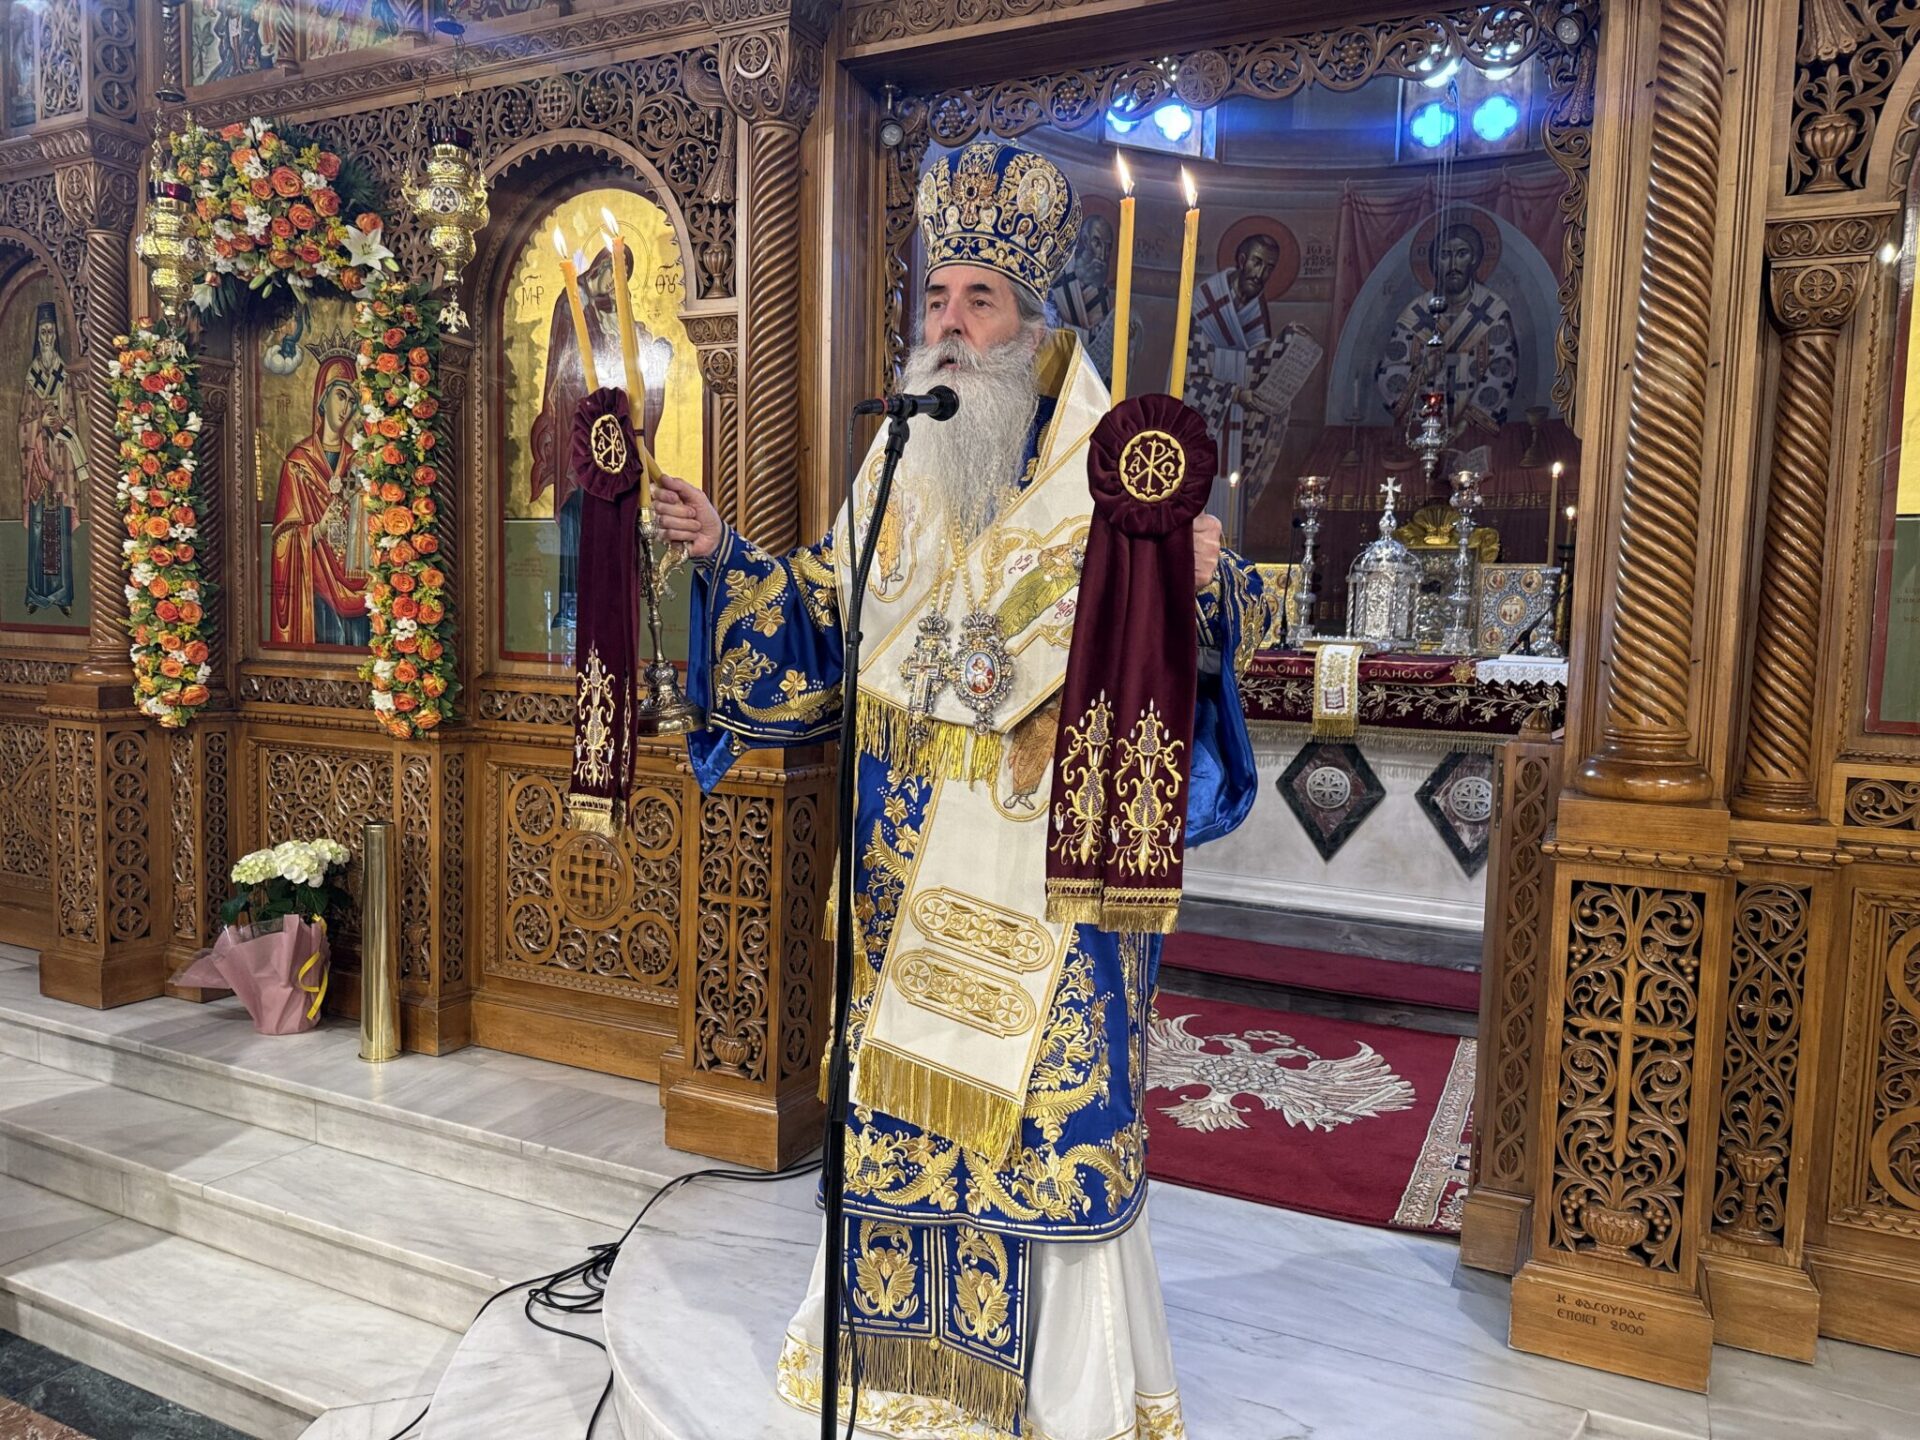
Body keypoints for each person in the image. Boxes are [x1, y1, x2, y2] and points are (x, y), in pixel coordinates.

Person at [654, 138, 1278, 1440]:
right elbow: (832, 610)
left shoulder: (1119, 467)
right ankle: (900, 1376)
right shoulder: (906, 454)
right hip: (901, 872)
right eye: (936, 296)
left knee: (1038, 1125)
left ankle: (1059, 1398)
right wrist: (726, 557)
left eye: (978, 300)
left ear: (1035, 322)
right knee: (904, 1108)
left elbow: (1222, 635)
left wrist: (1204, 579)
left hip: (1051, 877)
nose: (947, 323)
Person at [528, 239, 669, 638]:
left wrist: (656, 352)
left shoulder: (618, 314)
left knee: (618, 512)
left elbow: (632, 373)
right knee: (579, 512)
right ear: (601, 267)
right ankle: (572, 603)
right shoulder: (573, 305)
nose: (616, 283)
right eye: (614, 272)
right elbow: (569, 371)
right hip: (581, 440)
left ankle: (615, 605)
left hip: (615, 446)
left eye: (625, 276)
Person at [1182, 231, 1314, 489]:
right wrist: (1235, 394)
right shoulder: (1205, 302)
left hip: (1238, 427)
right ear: (1242, 260)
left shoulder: (1256, 310)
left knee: (1232, 497)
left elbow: (1257, 366)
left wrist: (1289, 340)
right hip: (1204, 426)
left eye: (1269, 267)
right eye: (1257, 262)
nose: (1260, 273)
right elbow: (1189, 381)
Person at [1375, 217, 1518, 439]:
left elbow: (1503, 369)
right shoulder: (1415, 314)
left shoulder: (1492, 310)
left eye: (1462, 254)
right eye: (1444, 255)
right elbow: (1389, 373)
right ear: (1435, 262)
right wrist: (1423, 372)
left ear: (1474, 259)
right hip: (1421, 432)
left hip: (1473, 432)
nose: (1453, 265)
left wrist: (1465, 424)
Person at [268, 354, 368, 646]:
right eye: (340, 396)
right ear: (323, 398)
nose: (346, 408)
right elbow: (282, 540)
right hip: (317, 586)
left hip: (357, 579)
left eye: (352, 401)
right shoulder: (298, 463)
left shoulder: (358, 463)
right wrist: (316, 530)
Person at [20, 302, 85, 616]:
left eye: (50, 332)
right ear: (37, 336)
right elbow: (22, 423)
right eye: (42, 332)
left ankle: (62, 595)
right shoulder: (31, 376)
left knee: (59, 529)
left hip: (59, 463)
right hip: (38, 465)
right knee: (38, 529)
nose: (47, 337)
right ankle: (36, 594)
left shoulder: (64, 374)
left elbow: (72, 415)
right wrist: (39, 424)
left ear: (56, 335)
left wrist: (59, 425)